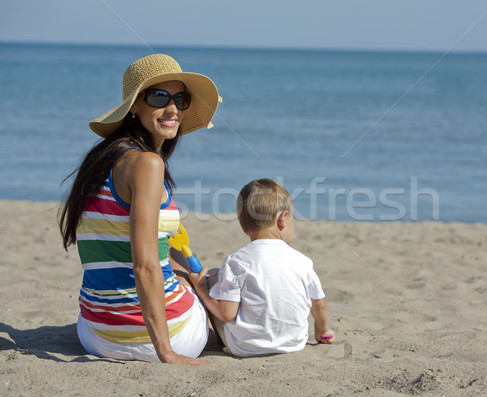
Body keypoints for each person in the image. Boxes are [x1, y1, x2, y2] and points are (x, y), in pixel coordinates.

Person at [59, 54, 221, 365]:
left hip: (95, 334)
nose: (172, 108)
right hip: (155, 340)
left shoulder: (100, 164)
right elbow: (144, 266)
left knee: (182, 273)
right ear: (134, 105)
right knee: (206, 285)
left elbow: (122, 240)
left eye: (180, 98)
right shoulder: (147, 163)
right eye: (159, 96)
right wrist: (166, 353)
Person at [191, 178, 335, 357]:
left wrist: (201, 288)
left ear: (244, 227)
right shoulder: (303, 261)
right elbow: (319, 304)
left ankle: (213, 337)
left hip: (244, 347)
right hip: (294, 343)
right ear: (282, 219)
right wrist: (323, 331)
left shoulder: (236, 262)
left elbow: (226, 314)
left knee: (213, 276)